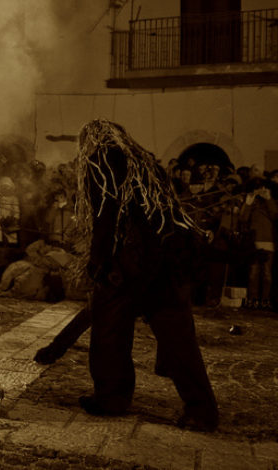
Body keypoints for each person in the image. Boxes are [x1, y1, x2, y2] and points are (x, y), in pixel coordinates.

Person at [73, 119, 219, 431]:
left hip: (131, 265)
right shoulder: (146, 162)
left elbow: (105, 212)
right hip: (167, 261)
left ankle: (111, 398)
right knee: (179, 341)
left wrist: (98, 263)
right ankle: (202, 410)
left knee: (109, 332)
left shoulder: (101, 160)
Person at [240, 179, 278, 310]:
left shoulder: (272, 203)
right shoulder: (253, 203)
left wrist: (268, 199)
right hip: (254, 243)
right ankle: (253, 299)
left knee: (267, 274)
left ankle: (265, 299)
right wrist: (248, 203)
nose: (261, 191)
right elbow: (243, 218)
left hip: (269, 243)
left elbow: (275, 216)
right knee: (253, 273)